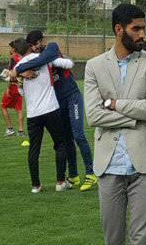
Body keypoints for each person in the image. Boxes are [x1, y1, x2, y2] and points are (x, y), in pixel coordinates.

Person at [84, 4, 146, 245]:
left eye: (143, 27)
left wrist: (116, 104)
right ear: (119, 30)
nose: (143, 33)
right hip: (109, 166)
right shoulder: (94, 66)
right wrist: (134, 118)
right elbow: (93, 116)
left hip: (145, 165)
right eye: (136, 28)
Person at [12, 39, 97, 192]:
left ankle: (91, 174)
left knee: (78, 135)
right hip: (57, 103)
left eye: (38, 43)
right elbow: (20, 88)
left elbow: (69, 63)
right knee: (66, 139)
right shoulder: (34, 63)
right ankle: (73, 175)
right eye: (33, 45)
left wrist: (20, 70)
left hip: (72, 97)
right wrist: (21, 75)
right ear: (30, 47)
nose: (36, 46)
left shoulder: (49, 54)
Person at [1, 41, 25, 137]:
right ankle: (21, 131)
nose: (9, 50)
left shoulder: (13, 58)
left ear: (14, 49)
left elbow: (11, 73)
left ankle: (10, 129)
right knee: (19, 109)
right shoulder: (22, 58)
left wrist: (8, 87)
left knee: (3, 106)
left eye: (10, 48)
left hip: (13, 85)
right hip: (21, 86)